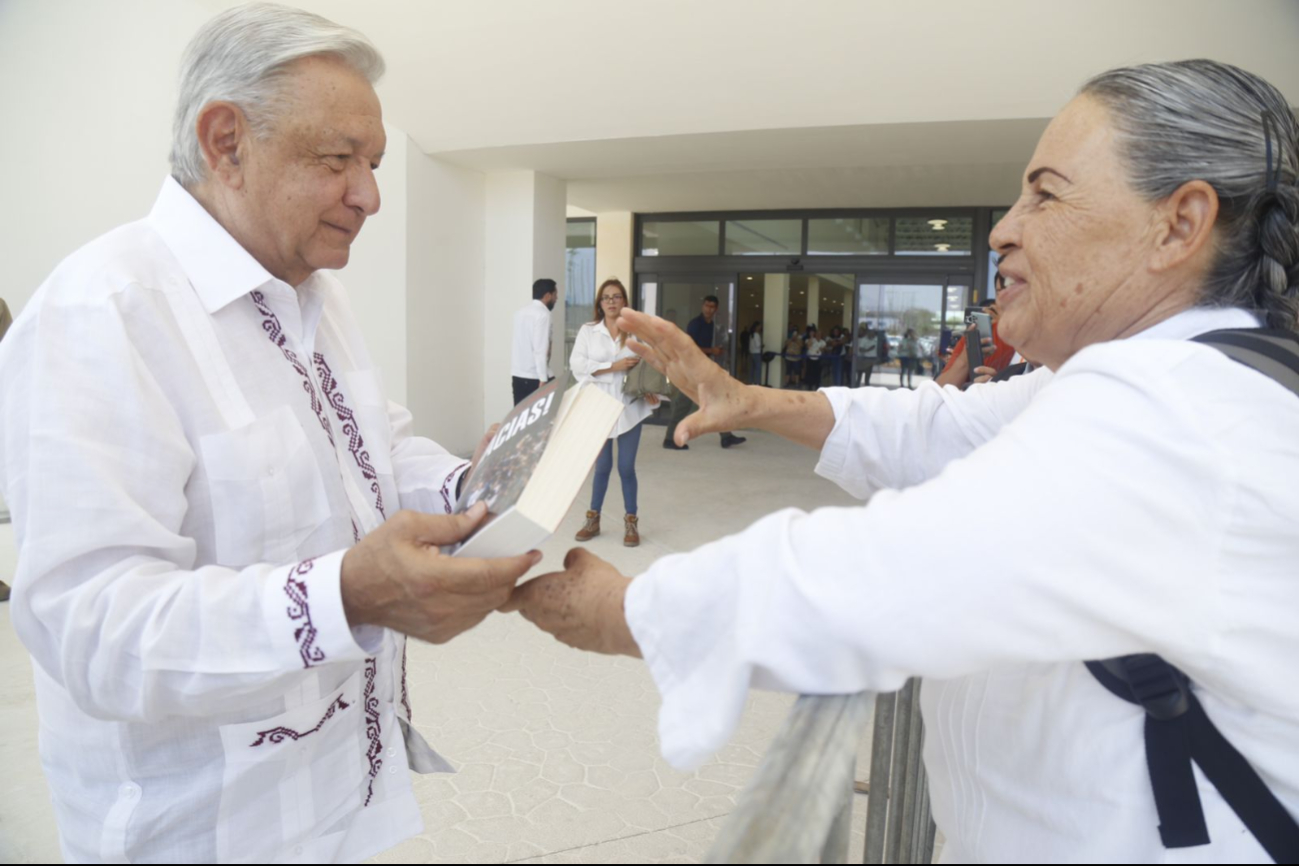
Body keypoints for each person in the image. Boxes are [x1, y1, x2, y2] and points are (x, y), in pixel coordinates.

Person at [506, 60, 1299, 863]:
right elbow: (941, 426)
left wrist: (627, 611)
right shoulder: (1166, 375)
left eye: (1045, 193)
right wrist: (751, 399)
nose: (1002, 228)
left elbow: (899, 568)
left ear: (1178, 223)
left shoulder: (1181, 406)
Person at [0, 6, 541, 862]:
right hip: (203, 831)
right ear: (225, 142)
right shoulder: (102, 313)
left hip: (340, 797)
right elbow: (91, 627)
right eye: (337, 160)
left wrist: (483, 484)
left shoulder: (315, 297)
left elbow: (376, 451)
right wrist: (344, 596)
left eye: (372, 163)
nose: (368, 195)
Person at [569, 279, 662, 547]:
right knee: (602, 467)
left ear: (624, 301)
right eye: (606, 297)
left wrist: (648, 387)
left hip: (629, 405)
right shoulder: (588, 331)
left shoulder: (635, 331)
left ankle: (631, 522)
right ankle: (593, 519)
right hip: (598, 407)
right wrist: (614, 365)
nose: (611, 301)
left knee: (626, 467)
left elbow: (649, 362)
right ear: (599, 303)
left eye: (616, 296)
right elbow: (577, 365)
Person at [663, 295, 746, 450]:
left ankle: (726, 436)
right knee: (683, 404)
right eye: (707, 306)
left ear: (716, 309)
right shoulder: (695, 324)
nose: (709, 309)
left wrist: (716, 352)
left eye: (712, 306)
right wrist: (711, 350)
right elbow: (689, 348)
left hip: (704, 370)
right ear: (703, 306)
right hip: (691, 371)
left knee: (716, 403)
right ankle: (669, 439)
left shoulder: (713, 326)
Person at [511, 277, 557, 405]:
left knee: (520, 420)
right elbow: (540, 348)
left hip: (518, 375)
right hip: (535, 377)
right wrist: (543, 379)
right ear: (547, 295)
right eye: (555, 294)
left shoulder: (519, 313)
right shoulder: (543, 314)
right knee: (546, 420)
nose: (556, 298)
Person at [852, 321, 877, 386]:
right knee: (859, 376)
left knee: (867, 377)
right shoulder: (863, 340)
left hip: (870, 359)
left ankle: (866, 388)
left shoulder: (875, 340)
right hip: (863, 359)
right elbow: (861, 349)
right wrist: (869, 349)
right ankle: (857, 387)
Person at [803, 324, 826, 390]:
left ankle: (817, 386)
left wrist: (822, 349)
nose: (818, 335)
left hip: (818, 360)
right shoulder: (809, 340)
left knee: (817, 374)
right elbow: (808, 346)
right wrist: (811, 337)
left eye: (820, 334)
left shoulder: (823, 342)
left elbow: (823, 349)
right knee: (809, 373)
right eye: (817, 334)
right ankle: (809, 386)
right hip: (810, 359)